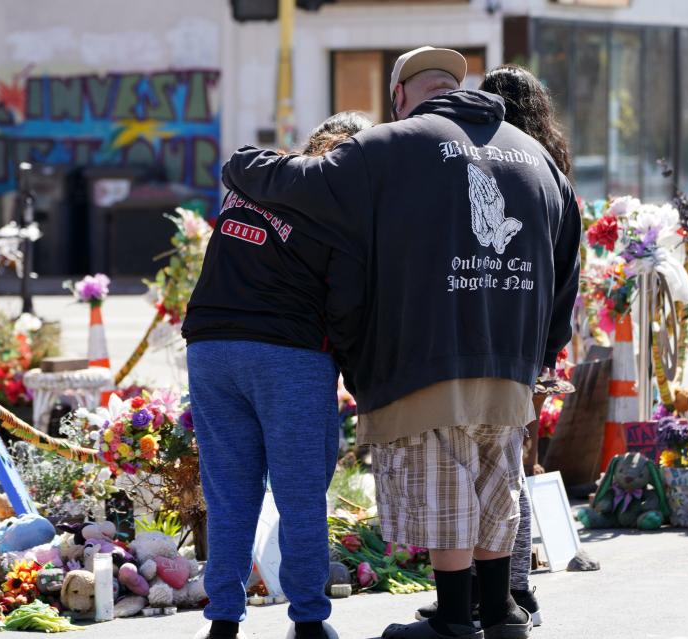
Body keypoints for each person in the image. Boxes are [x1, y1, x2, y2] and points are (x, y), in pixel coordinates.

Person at [223, 46, 582, 639]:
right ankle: (498, 612)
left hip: (425, 354)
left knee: (444, 486)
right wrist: (544, 348)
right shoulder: (535, 156)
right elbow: (568, 257)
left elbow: (297, 182)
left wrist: (241, 162)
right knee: (496, 485)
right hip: (511, 360)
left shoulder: (394, 144)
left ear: (400, 96)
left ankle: (451, 621)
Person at [182, 111, 373, 639]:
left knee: (228, 491)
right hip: (289, 355)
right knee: (299, 493)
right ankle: (309, 620)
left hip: (212, 349)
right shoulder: (345, 211)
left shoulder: (256, 178)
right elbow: (348, 308)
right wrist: (359, 377)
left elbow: (235, 161)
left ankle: (223, 618)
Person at [414, 63, 575, 630]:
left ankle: (499, 597)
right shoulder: (546, 167)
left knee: (479, 475)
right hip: (523, 347)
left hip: (481, 343)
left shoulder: (488, 160)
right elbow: (563, 275)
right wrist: (547, 352)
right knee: (509, 469)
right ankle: (508, 595)